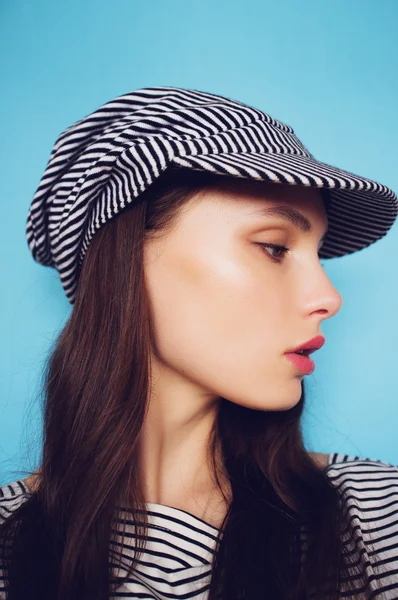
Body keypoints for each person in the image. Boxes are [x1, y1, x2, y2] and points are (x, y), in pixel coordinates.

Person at [0, 85, 397, 600]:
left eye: (318, 254)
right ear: (126, 261)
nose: (328, 297)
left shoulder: (376, 517)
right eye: (275, 248)